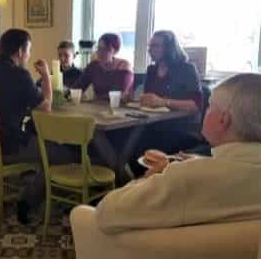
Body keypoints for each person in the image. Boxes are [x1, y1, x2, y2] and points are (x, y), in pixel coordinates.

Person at [95, 73, 261, 234]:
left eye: (210, 106)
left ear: (223, 120)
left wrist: (149, 178)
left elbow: (105, 212)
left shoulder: (186, 177)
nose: (205, 111)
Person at [0, 28, 75, 224]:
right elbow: (45, 108)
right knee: (64, 156)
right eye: (28, 50)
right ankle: (28, 201)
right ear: (20, 51)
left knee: (42, 145)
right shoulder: (20, 75)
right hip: (8, 146)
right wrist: (46, 75)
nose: (28, 55)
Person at [135, 30, 204, 159]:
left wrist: (163, 102)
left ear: (169, 48)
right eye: (149, 46)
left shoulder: (187, 69)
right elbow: (148, 99)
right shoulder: (151, 70)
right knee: (123, 136)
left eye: (155, 46)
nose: (150, 50)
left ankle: (138, 174)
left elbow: (196, 105)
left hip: (180, 128)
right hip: (152, 124)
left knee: (143, 143)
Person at [74, 33, 133, 99]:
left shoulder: (124, 67)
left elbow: (117, 95)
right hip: (98, 106)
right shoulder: (93, 66)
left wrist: (95, 98)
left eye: (106, 49)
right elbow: (77, 88)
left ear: (116, 51)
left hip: (120, 108)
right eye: (99, 48)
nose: (100, 53)